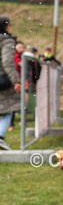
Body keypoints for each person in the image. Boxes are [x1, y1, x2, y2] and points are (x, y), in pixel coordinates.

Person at [0, 16, 21, 149]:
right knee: (9, 110)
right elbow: (7, 62)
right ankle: (0, 136)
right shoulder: (6, 41)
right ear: (6, 27)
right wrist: (15, 80)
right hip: (2, 80)